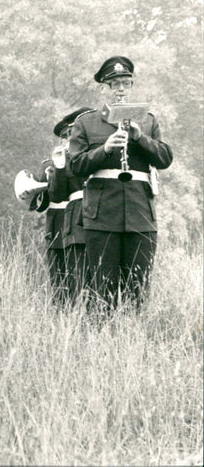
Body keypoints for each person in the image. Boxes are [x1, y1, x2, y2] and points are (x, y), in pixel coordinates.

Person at [68, 56, 172, 309]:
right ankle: (103, 342)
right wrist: (103, 150)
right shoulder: (86, 122)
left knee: (138, 286)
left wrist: (140, 137)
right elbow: (75, 167)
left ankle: (132, 340)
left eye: (127, 83)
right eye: (115, 84)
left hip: (139, 212)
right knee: (103, 287)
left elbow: (165, 158)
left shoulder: (148, 120)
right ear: (103, 88)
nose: (122, 90)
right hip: (102, 214)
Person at [44, 107, 93, 304]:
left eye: (72, 135)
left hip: (106, 214)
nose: (68, 140)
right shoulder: (63, 159)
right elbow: (56, 195)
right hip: (77, 222)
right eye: (66, 136)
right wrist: (60, 167)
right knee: (78, 283)